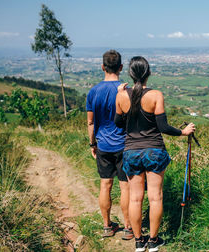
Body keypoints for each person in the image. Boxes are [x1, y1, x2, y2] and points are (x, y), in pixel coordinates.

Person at [115, 56, 195, 252]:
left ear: (131, 74)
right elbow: (163, 126)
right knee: (155, 197)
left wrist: (121, 95)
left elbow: (118, 124)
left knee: (135, 198)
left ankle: (138, 241)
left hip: (131, 151)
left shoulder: (121, 96)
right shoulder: (156, 95)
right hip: (154, 151)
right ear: (148, 73)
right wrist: (183, 132)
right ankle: (153, 240)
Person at [86, 50, 133, 240]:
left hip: (103, 145)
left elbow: (90, 122)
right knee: (125, 187)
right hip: (124, 145)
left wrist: (92, 144)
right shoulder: (125, 91)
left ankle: (107, 226)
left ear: (102, 67)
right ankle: (129, 228)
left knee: (105, 185)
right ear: (121, 67)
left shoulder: (93, 91)